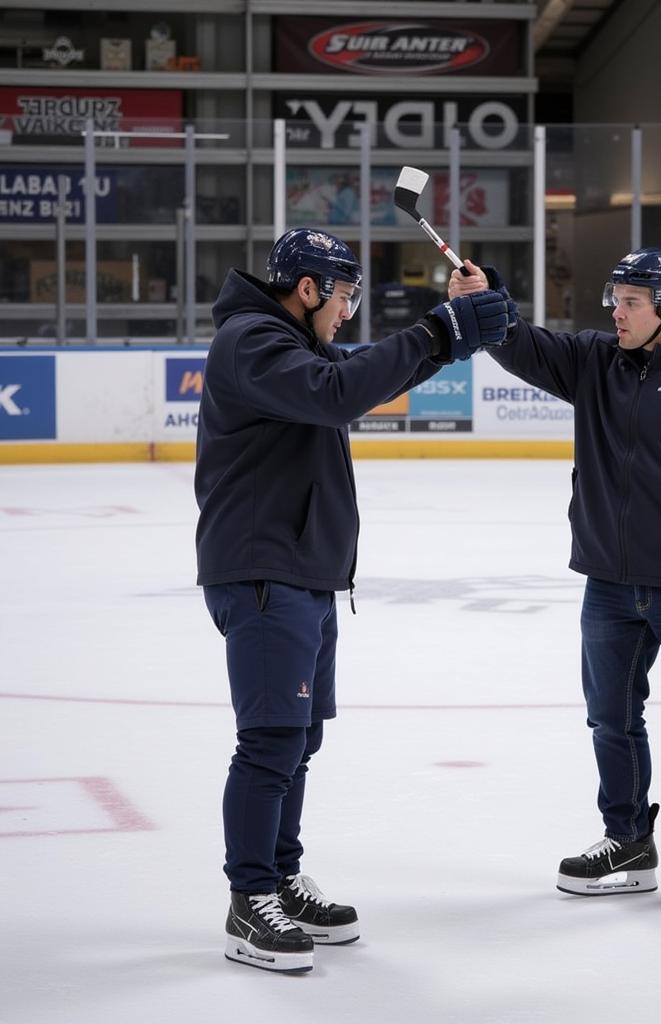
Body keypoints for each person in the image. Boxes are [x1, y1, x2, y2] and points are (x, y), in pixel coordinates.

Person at [196, 228, 509, 973]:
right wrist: (438, 329)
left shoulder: (288, 344)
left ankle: (280, 878)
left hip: (303, 570)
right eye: (344, 296)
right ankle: (250, 900)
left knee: (298, 738)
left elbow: (361, 374)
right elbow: (337, 390)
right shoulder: (251, 343)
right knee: (270, 740)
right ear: (308, 289)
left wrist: (455, 332)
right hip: (265, 570)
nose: (347, 312)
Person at [450, 248, 661, 912]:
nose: (616, 312)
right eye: (615, 299)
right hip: (609, 581)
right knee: (610, 718)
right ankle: (627, 839)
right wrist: (487, 297)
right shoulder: (596, 361)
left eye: (630, 301)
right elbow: (522, 346)